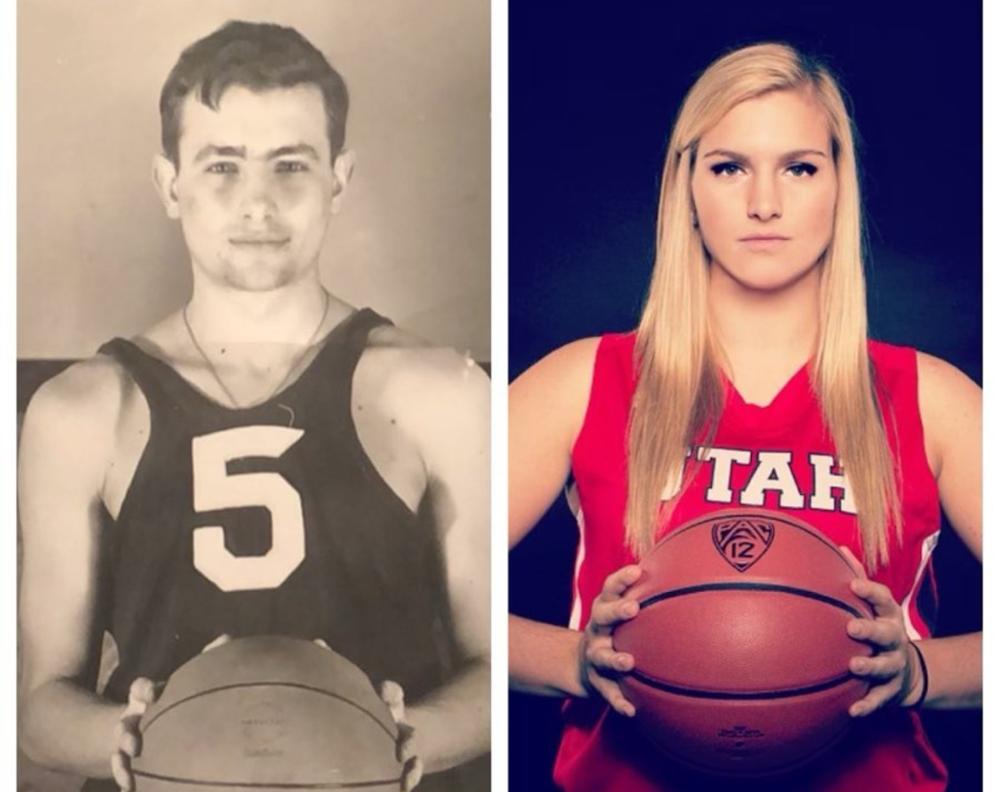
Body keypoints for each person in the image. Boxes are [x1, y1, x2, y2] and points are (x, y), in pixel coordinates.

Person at [18, 20, 489, 792]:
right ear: (170, 185)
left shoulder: (438, 390)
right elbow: (40, 704)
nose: (258, 203)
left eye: (290, 165)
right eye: (223, 166)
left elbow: (490, 663)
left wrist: (410, 735)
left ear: (340, 177)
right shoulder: (81, 409)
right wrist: (136, 735)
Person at [509, 42, 981, 791]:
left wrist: (918, 670)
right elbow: (420, 592)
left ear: (838, 186)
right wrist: (572, 659)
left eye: (799, 167)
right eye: (730, 167)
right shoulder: (584, 380)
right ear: (687, 186)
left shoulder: (932, 399)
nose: (765, 203)